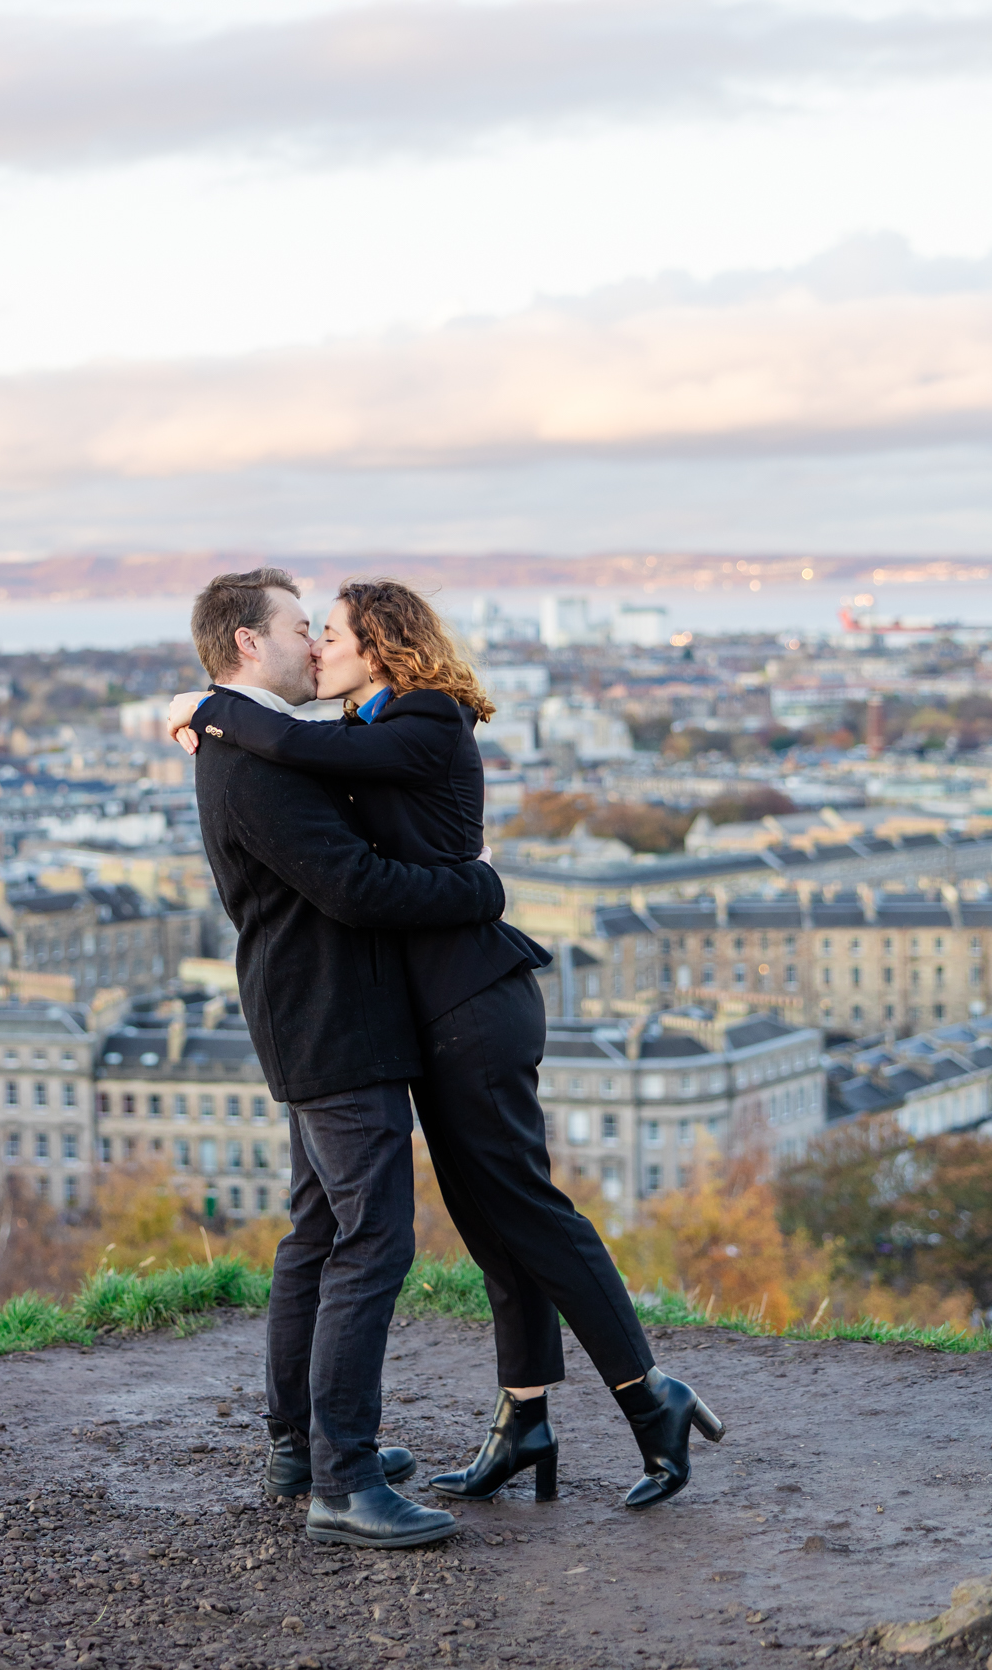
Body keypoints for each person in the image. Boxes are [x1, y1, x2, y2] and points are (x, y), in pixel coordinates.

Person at [171, 576, 725, 1511]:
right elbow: (297, 747)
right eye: (306, 633)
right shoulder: (360, 731)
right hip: (432, 1008)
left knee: (522, 1206)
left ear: (380, 645)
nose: (315, 649)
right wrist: (210, 709)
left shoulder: (426, 718)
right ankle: (524, 1417)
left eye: (330, 633)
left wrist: (206, 707)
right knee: (489, 1219)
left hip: (473, 996)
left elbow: (285, 742)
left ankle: (647, 1394)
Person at [188, 566, 509, 1549]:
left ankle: (304, 1444)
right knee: (373, 1238)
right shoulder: (257, 756)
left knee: (321, 1230)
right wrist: (476, 888)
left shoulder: (240, 741)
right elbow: (356, 885)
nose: (312, 644)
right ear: (251, 643)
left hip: (311, 1010)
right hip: (334, 1019)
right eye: (298, 626)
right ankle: (344, 1476)